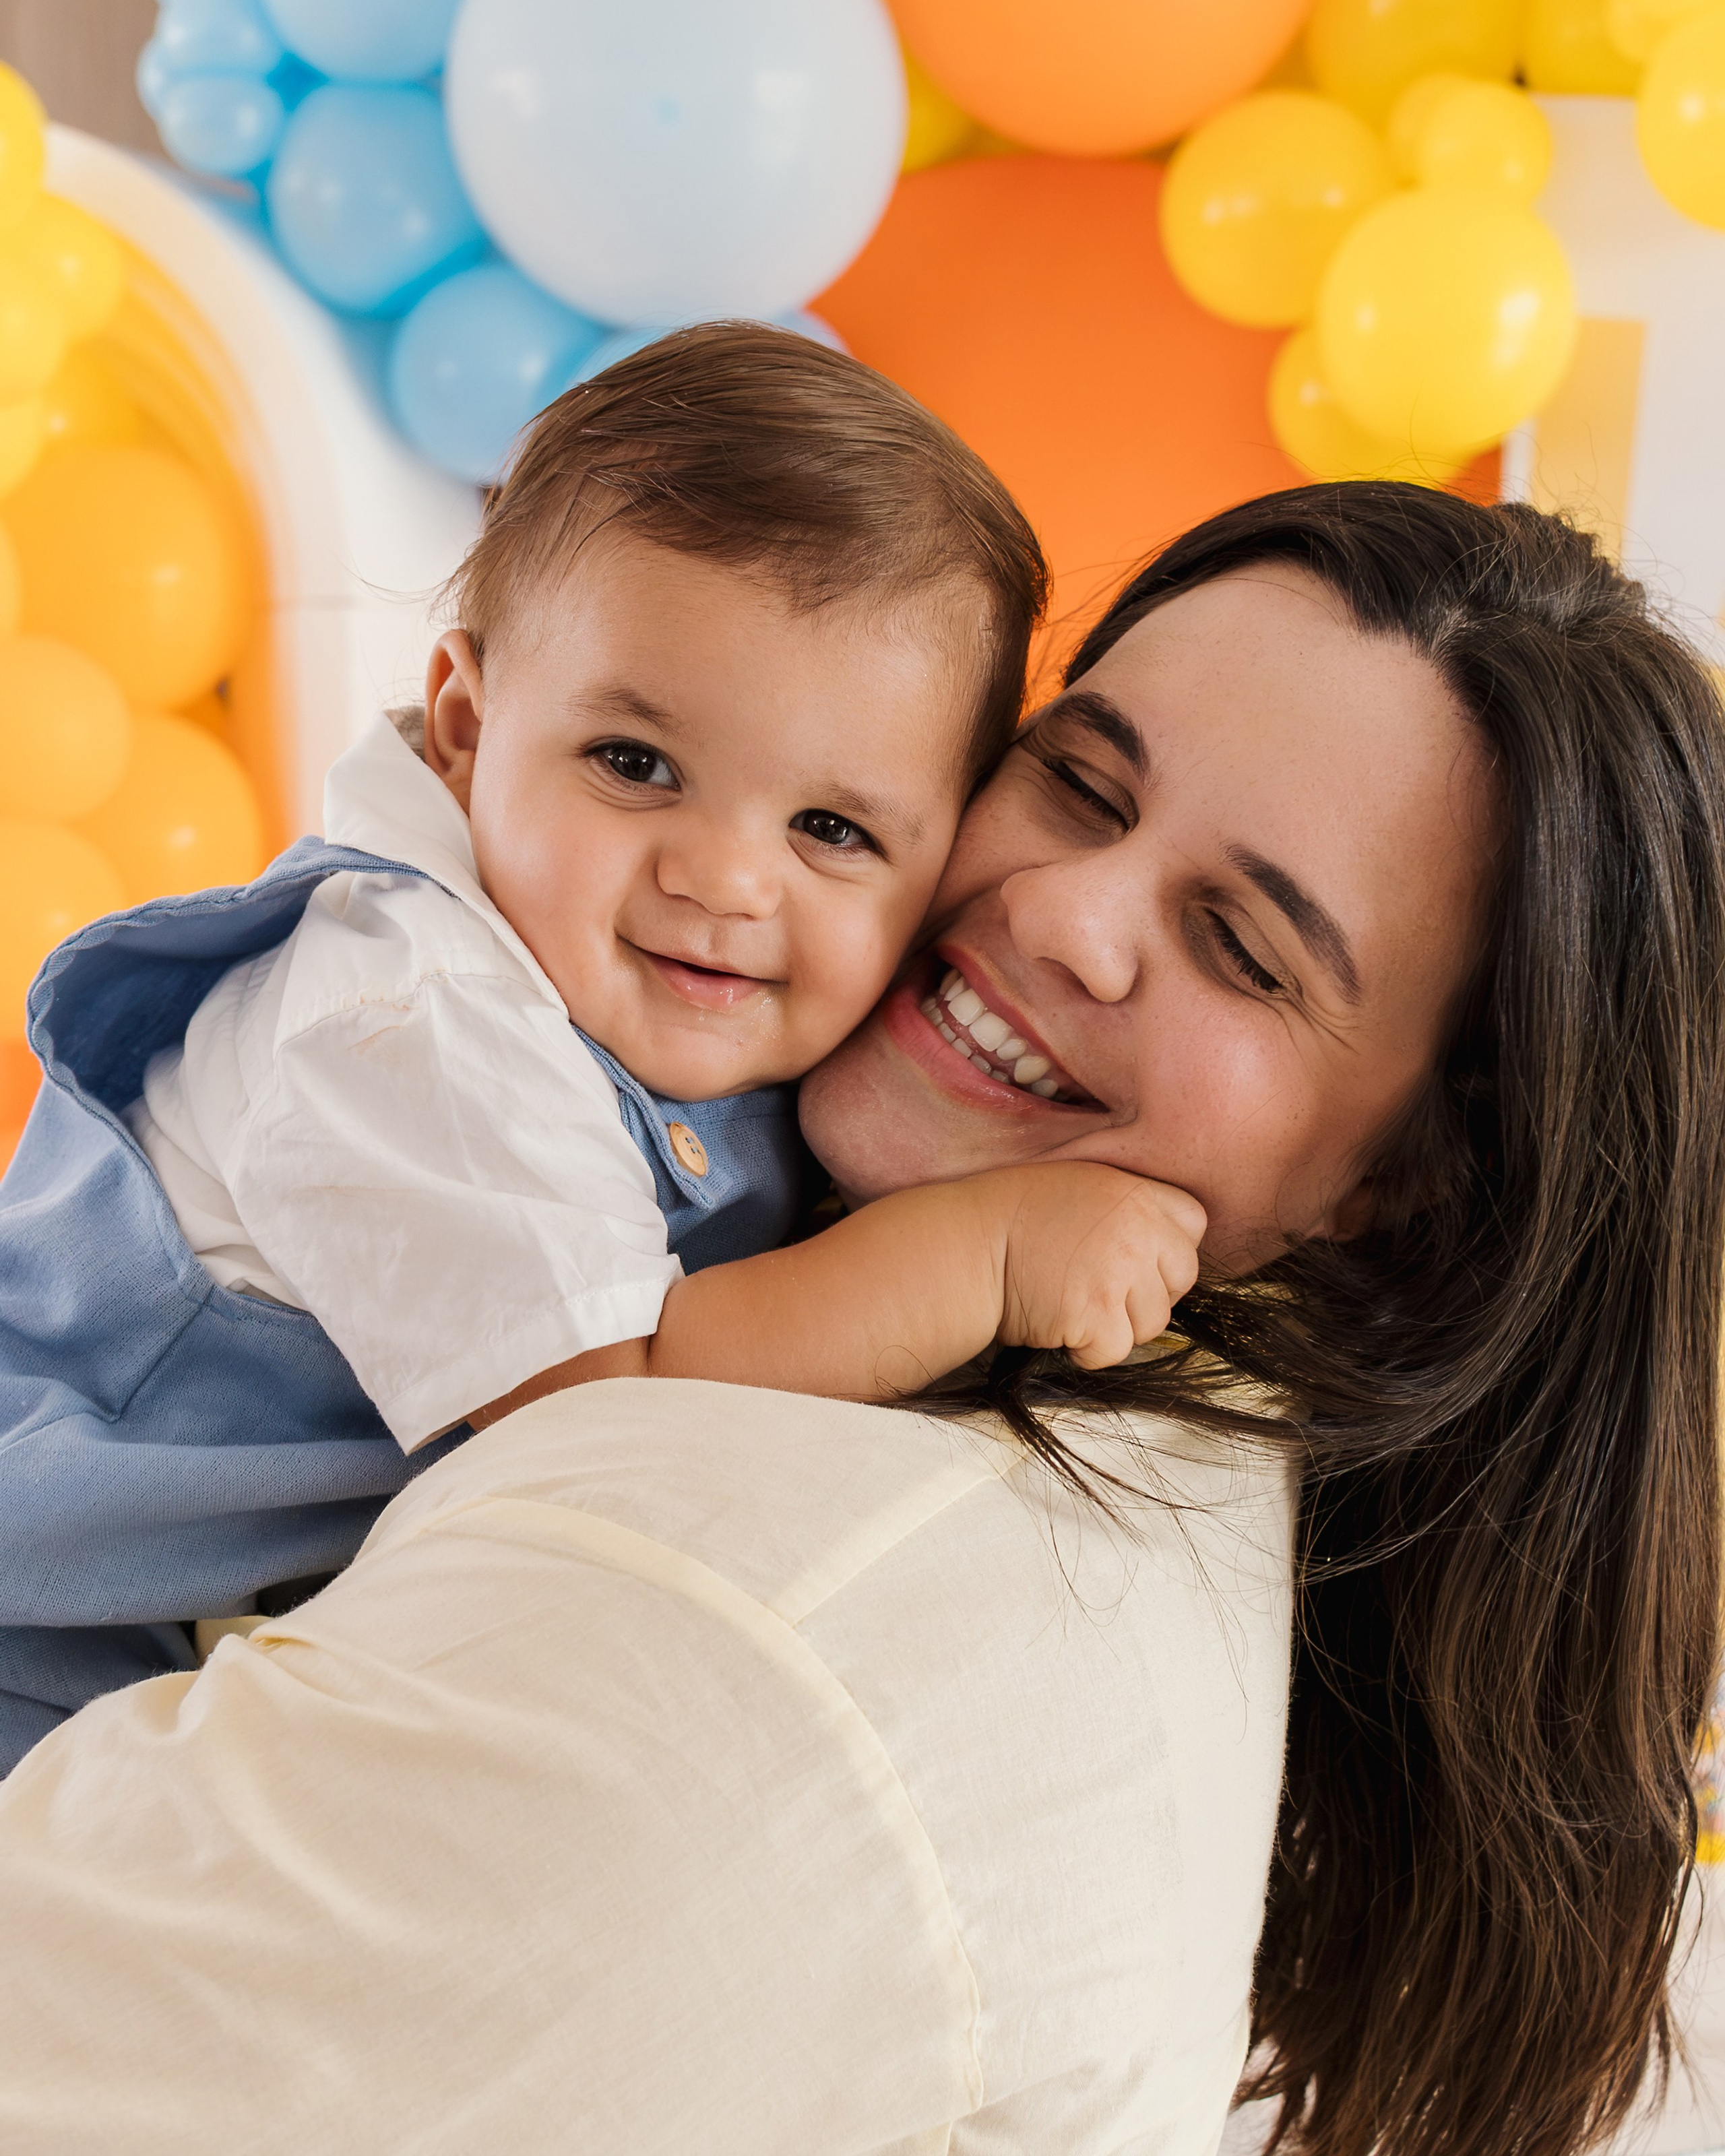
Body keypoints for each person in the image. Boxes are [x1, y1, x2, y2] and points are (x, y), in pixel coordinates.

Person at [0, 484, 1718, 2156]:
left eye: (1242, 949)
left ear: (1401, 1180)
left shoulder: (764, 1604)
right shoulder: (469, 1024)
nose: (1061, 913)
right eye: (1078, 781)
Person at [0, 323, 1201, 1772]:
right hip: (41, 1624)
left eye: (829, 829)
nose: (724, 879)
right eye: (635, 766)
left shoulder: (687, 1000)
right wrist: (991, 1255)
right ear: (464, 722)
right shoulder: (402, 1011)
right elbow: (608, 1424)